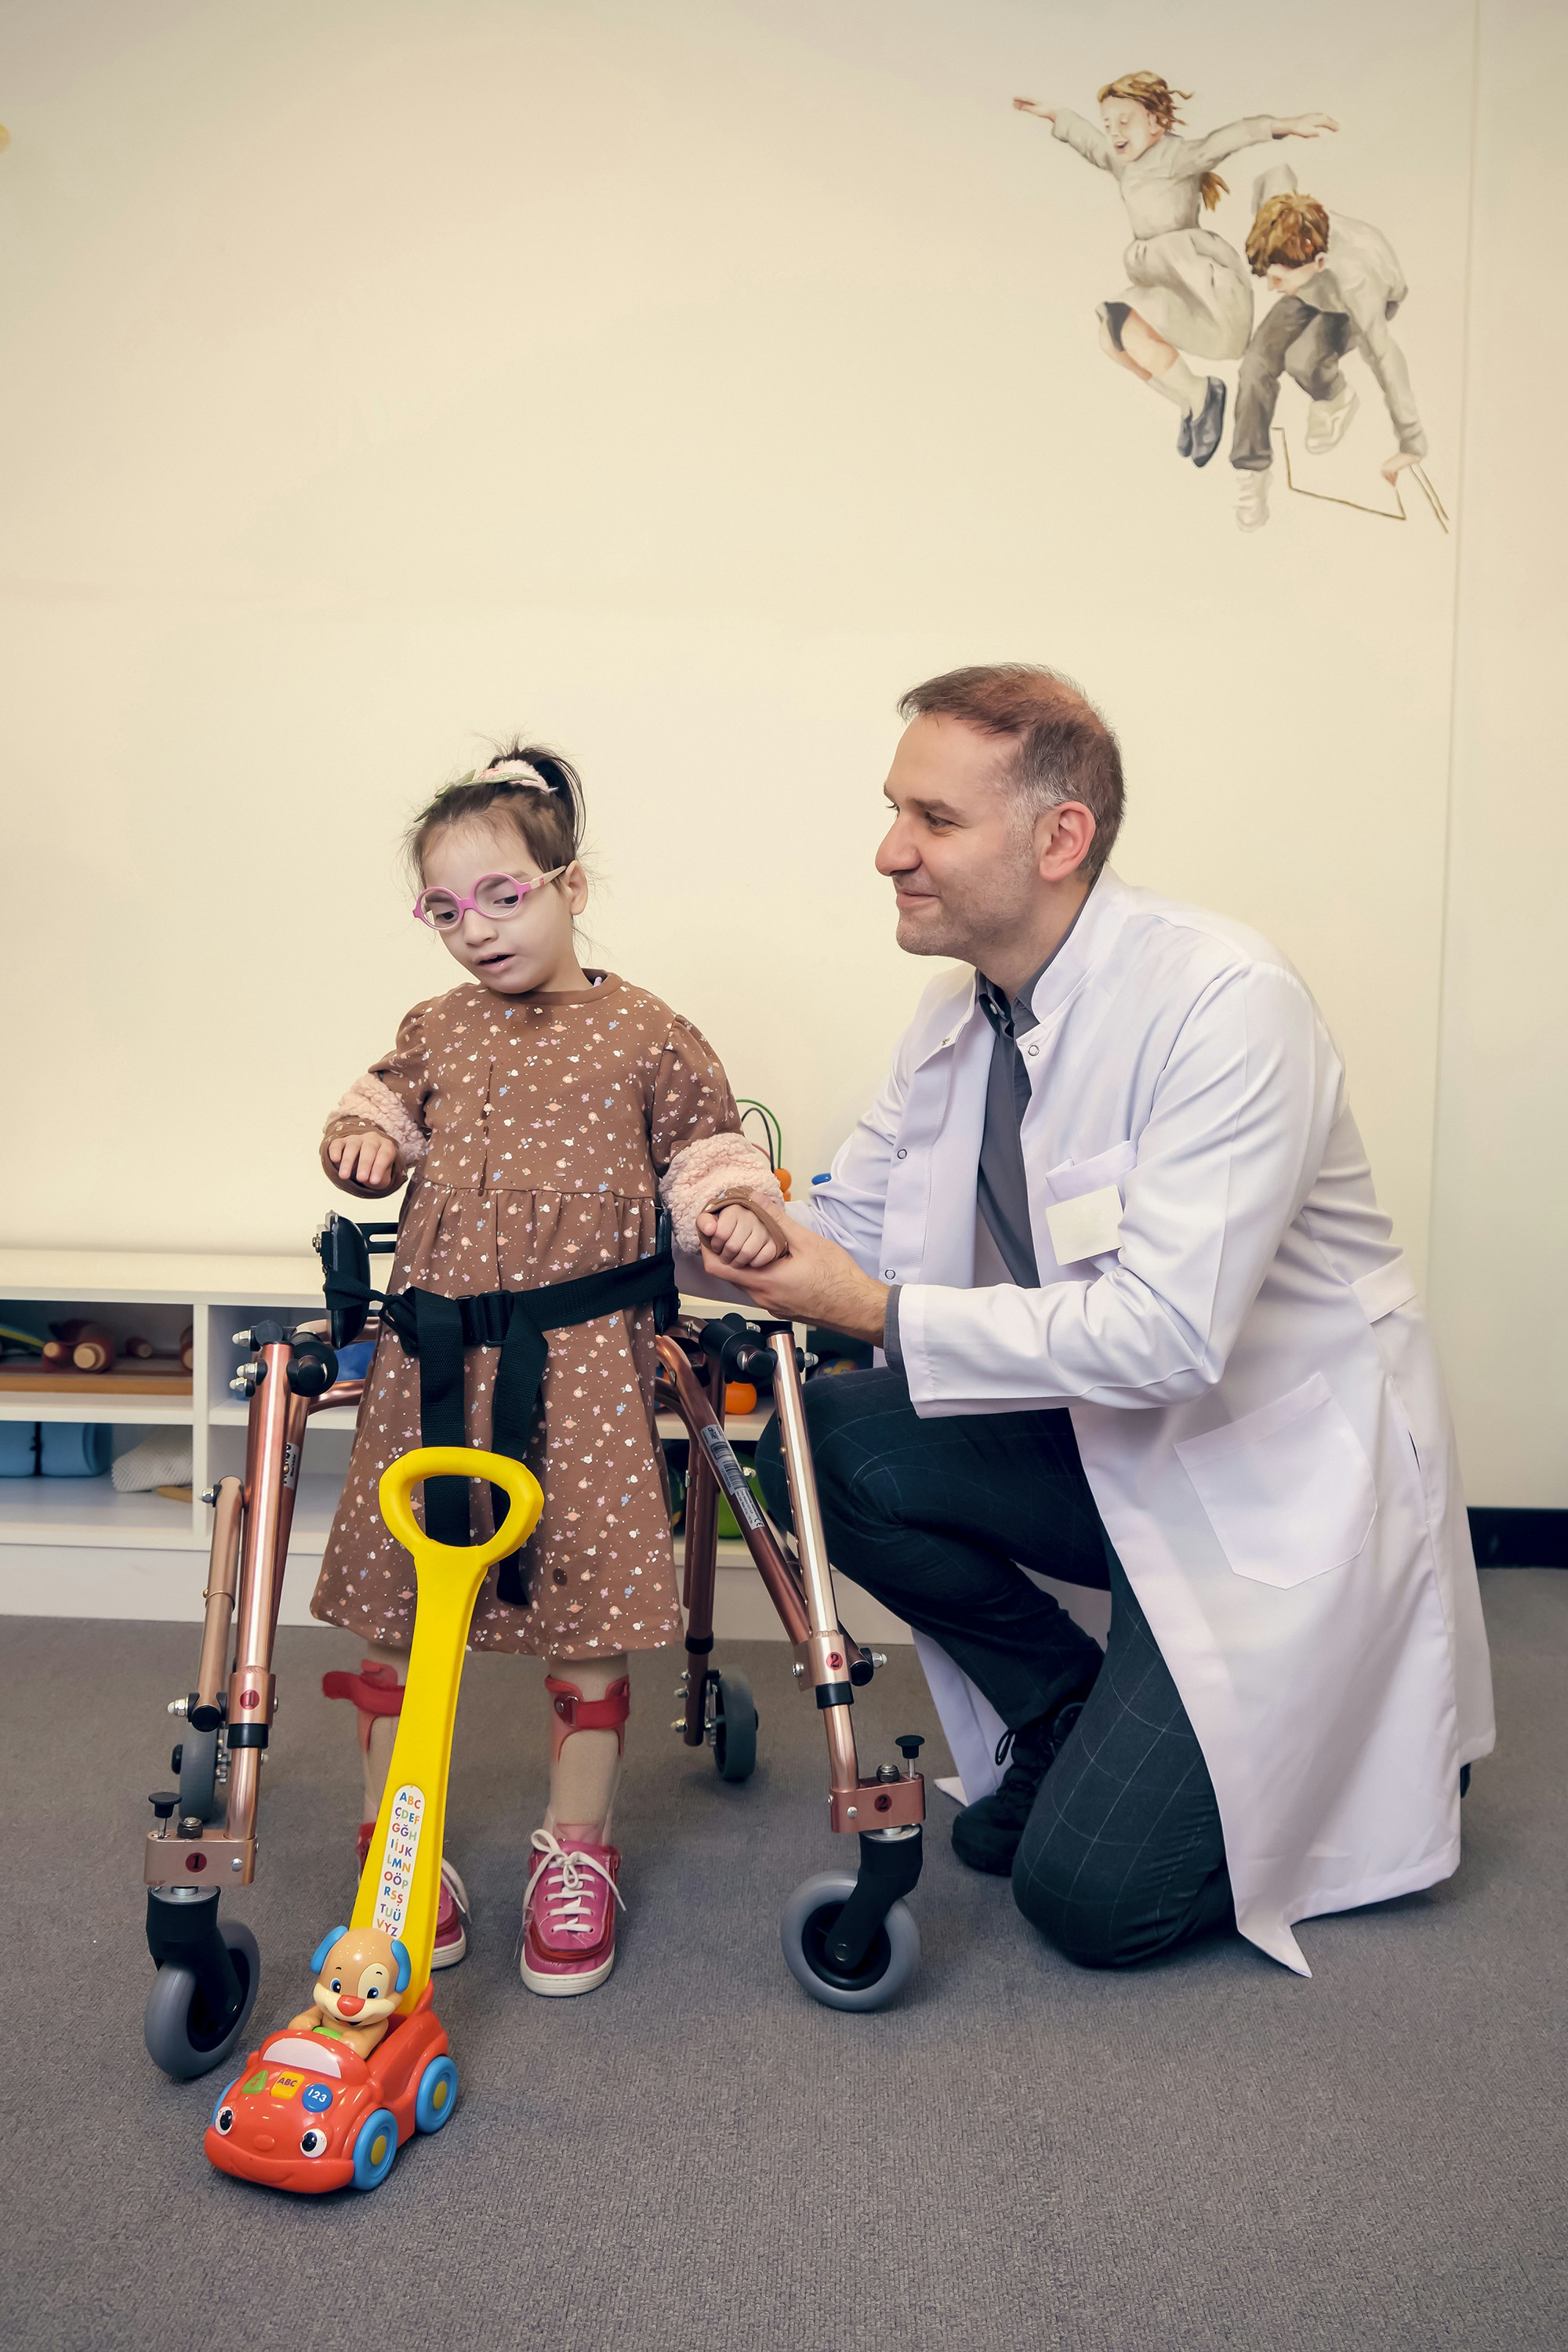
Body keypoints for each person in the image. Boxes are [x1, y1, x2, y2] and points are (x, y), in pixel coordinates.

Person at [703, 665, 1494, 1976]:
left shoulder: (1224, 1003)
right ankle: (1065, 1706)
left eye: (935, 819)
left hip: (1267, 1481)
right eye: (895, 810)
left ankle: (1371, 1756)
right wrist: (687, 1206)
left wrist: (875, 1307)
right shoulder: (959, 1018)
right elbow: (847, 1220)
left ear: (1060, 837)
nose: (890, 850)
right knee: (835, 1443)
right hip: (1105, 1446)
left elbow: (1169, 1337)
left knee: (1089, 1901)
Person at [313, 746, 782, 1994]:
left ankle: (577, 1853)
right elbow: (374, 1111)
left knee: (588, 1608)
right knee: (400, 1617)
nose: (475, 928)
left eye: (503, 895)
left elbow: (712, 1156)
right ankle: (397, 1855)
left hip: (581, 1372)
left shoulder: (650, 1032)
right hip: (432, 1362)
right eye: (444, 908)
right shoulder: (436, 1028)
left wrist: (733, 1211)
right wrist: (362, 1143)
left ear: (570, 885)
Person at [1013, 76, 1338, 465]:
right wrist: (1054, 114)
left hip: (1195, 278)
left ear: (1155, 122)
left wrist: (1288, 125)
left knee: (1122, 321)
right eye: (1109, 123)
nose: (1114, 132)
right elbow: (1089, 142)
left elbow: (1230, 137)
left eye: (1124, 121)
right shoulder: (1122, 160)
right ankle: (1190, 401)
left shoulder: (1177, 157)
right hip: (1161, 275)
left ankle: (1202, 394)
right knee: (1110, 337)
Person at [1230, 172, 1427, 530]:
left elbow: (1384, 355)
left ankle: (1335, 397)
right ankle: (1252, 471)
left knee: (1303, 359)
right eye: (1268, 276)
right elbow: (1275, 173)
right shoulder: (1279, 223)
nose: (1271, 288)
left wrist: (1411, 442)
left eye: (1277, 279)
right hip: (1306, 288)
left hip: (1360, 301)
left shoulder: (1358, 281)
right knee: (1255, 363)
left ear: (1318, 263)